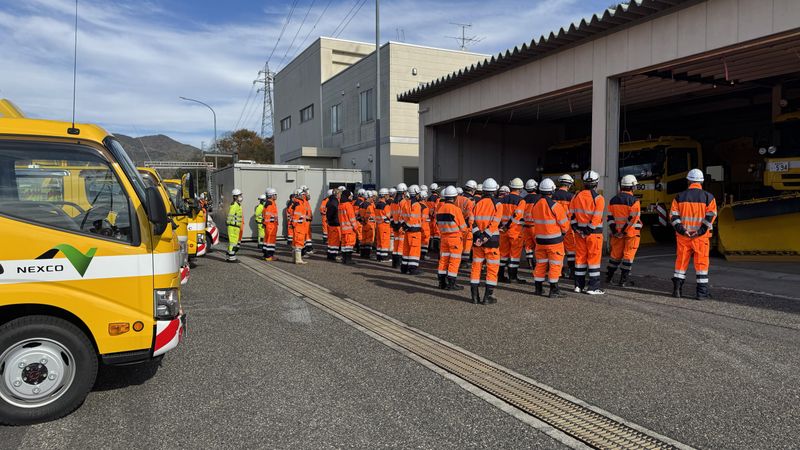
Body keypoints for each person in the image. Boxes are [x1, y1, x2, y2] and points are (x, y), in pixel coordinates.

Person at [670, 169, 717, 300]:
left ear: (688, 181)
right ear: (702, 181)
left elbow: (673, 216)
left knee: (681, 263)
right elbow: (710, 217)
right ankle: (701, 294)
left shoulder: (679, 197)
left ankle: (677, 291)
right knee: (701, 264)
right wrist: (700, 231)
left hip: (683, 236)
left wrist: (682, 230)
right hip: (700, 238)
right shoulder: (709, 197)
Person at [532, 178, 570, 298]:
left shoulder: (535, 205)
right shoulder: (555, 206)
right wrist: (563, 233)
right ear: (552, 191)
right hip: (554, 242)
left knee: (540, 264)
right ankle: (554, 290)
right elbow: (565, 225)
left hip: (540, 241)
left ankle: (538, 288)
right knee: (555, 265)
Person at [569, 170, 605, 295]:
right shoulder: (599, 199)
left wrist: (577, 229)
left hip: (579, 233)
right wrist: (587, 230)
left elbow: (571, 214)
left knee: (580, 259)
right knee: (593, 260)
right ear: (596, 183)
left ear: (584, 183)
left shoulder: (575, 196)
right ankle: (593, 287)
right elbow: (596, 218)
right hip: (593, 234)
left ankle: (578, 286)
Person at [470, 178, 502, 304]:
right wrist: (484, 237)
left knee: (476, 267)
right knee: (492, 269)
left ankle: (474, 297)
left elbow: (472, 222)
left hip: (477, 241)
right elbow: (495, 224)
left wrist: (479, 236)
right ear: (495, 190)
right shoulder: (498, 204)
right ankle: (487, 297)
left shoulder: (477, 203)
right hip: (491, 241)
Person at [606, 175, 642, 287]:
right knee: (628, 257)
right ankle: (623, 281)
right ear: (632, 187)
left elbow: (609, 218)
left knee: (615, 256)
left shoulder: (613, 200)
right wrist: (623, 231)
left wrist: (616, 231)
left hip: (617, 234)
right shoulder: (635, 201)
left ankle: (609, 278)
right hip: (630, 234)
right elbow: (632, 219)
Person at [436, 186, 467, 291]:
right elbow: (463, 227)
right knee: (454, 261)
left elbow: (438, 224)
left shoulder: (440, 209)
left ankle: (442, 283)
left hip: (444, 238)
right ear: (455, 197)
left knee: (443, 260)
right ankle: (451, 284)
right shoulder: (456, 209)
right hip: (454, 238)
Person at [498, 178, 527, 284]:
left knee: (502, 254)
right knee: (514, 255)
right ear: (520, 189)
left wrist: (502, 225)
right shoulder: (521, 201)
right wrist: (508, 226)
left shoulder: (502, 200)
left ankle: (500, 276)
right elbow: (517, 216)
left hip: (502, 231)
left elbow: (497, 214)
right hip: (515, 231)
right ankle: (513, 277)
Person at [553, 174, 576, 278]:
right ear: (569, 185)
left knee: (558, 251)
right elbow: (574, 213)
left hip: (555, 227)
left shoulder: (553, 196)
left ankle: (559, 272)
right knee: (571, 251)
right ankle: (572, 273)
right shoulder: (571, 197)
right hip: (568, 227)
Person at [400, 185, 424, 275]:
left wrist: (404, 226)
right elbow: (413, 218)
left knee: (406, 250)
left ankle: (404, 268)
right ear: (416, 193)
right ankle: (413, 269)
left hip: (407, 231)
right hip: (414, 231)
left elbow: (402, 217)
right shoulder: (416, 205)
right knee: (414, 250)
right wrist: (407, 226)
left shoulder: (406, 203)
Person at [455, 180, 477, 263]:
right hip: (467, 225)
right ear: (473, 190)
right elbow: (470, 214)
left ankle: (458, 260)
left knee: (459, 243)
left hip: (457, 224)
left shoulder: (458, 197)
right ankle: (464, 262)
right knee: (467, 244)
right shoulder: (471, 200)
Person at [522, 179, 540, 269]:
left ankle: (530, 264)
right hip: (535, 226)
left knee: (528, 247)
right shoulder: (539, 198)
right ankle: (540, 265)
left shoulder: (523, 199)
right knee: (539, 246)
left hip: (525, 227)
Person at [338, 190, 359, 265]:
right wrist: (356, 228)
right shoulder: (348, 205)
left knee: (344, 245)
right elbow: (352, 218)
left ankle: (344, 259)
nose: (351, 197)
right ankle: (348, 260)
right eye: (350, 196)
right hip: (349, 229)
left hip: (343, 229)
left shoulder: (340, 205)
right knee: (349, 245)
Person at [289, 189, 309, 264]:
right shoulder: (299, 204)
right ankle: (298, 260)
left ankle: (294, 259)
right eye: (302, 194)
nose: (304, 195)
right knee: (298, 243)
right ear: (299, 195)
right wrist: (293, 225)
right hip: (299, 227)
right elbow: (296, 217)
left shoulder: (297, 203)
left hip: (298, 227)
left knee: (295, 243)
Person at [391, 184, 408, 268]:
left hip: (395, 225)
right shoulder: (403, 202)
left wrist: (394, 223)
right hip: (400, 226)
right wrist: (403, 225)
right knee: (401, 245)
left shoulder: (393, 202)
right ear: (404, 192)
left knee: (396, 244)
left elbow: (392, 215)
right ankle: (399, 263)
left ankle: (394, 263)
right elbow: (403, 215)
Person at [226, 189, 243, 262]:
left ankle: (228, 256)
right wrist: (228, 222)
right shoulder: (235, 205)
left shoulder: (237, 204)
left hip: (234, 227)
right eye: (239, 195)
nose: (241, 197)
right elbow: (230, 215)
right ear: (235, 197)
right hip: (233, 227)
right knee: (233, 243)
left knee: (232, 243)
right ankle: (232, 258)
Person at [374, 188, 392, 262]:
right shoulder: (385, 206)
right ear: (384, 195)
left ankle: (379, 256)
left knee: (379, 241)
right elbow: (389, 216)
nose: (388, 196)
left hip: (378, 225)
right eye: (387, 195)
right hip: (384, 226)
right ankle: (384, 257)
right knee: (384, 242)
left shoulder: (377, 205)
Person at [325, 187, 343, 261]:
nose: (340, 195)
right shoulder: (334, 202)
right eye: (340, 194)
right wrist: (334, 220)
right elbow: (332, 214)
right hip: (334, 224)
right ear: (337, 194)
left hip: (331, 223)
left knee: (331, 241)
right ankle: (333, 255)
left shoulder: (330, 201)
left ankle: (330, 254)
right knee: (335, 241)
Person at [262, 188, 279, 261]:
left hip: (269, 225)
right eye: (275, 194)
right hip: (271, 225)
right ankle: (269, 256)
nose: (276, 196)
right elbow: (267, 216)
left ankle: (266, 255)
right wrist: (267, 224)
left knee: (267, 241)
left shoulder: (269, 203)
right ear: (271, 195)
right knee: (270, 241)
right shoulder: (270, 203)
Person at [360, 191, 376, 259]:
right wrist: (366, 220)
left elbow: (359, 214)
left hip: (363, 224)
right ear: (368, 197)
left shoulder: (361, 204)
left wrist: (363, 221)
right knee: (369, 240)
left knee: (363, 239)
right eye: (371, 197)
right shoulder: (369, 205)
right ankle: (367, 255)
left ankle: (362, 254)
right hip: (369, 224)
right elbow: (368, 215)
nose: (372, 198)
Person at [427, 184, 441, 254]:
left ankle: (429, 247)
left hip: (429, 218)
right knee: (436, 233)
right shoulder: (437, 198)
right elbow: (436, 207)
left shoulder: (428, 198)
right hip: (435, 218)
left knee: (430, 234)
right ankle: (436, 248)